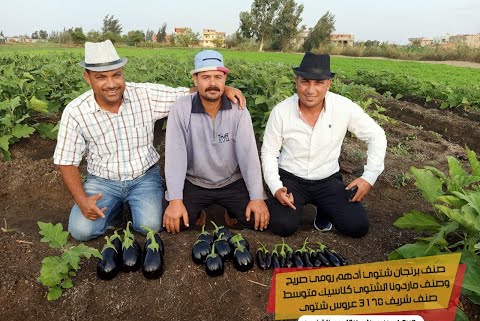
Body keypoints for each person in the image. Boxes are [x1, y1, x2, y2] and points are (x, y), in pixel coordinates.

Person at [54, 40, 245, 241]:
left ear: (122, 72)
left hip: (144, 178)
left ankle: (121, 209)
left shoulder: (144, 95)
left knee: (151, 226)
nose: (111, 84)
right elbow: (67, 161)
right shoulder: (76, 111)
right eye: (101, 77)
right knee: (81, 231)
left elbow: (186, 93)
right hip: (102, 182)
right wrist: (82, 199)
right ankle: (116, 211)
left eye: (116, 75)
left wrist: (223, 88)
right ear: (88, 78)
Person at [261, 52, 387, 238]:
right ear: (296, 81)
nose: (311, 90)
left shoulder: (344, 107)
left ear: (329, 84)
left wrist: (369, 177)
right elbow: (269, 152)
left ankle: (324, 209)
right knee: (282, 226)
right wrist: (276, 187)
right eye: (305, 81)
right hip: (292, 178)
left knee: (357, 226)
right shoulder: (281, 111)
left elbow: (377, 135)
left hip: (327, 179)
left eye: (319, 83)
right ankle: (301, 206)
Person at [163, 50, 269, 234]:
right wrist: (175, 199)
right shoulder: (181, 109)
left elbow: (248, 154)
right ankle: (199, 212)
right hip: (195, 181)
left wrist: (257, 197)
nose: (213, 83)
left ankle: (230, 210)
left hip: (231, 181)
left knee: (257, 220)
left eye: (218, 77)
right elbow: (175, 155)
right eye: (205, 77)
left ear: (225, 80)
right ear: (195, 80)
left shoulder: (238, 109)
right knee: (173, 224)